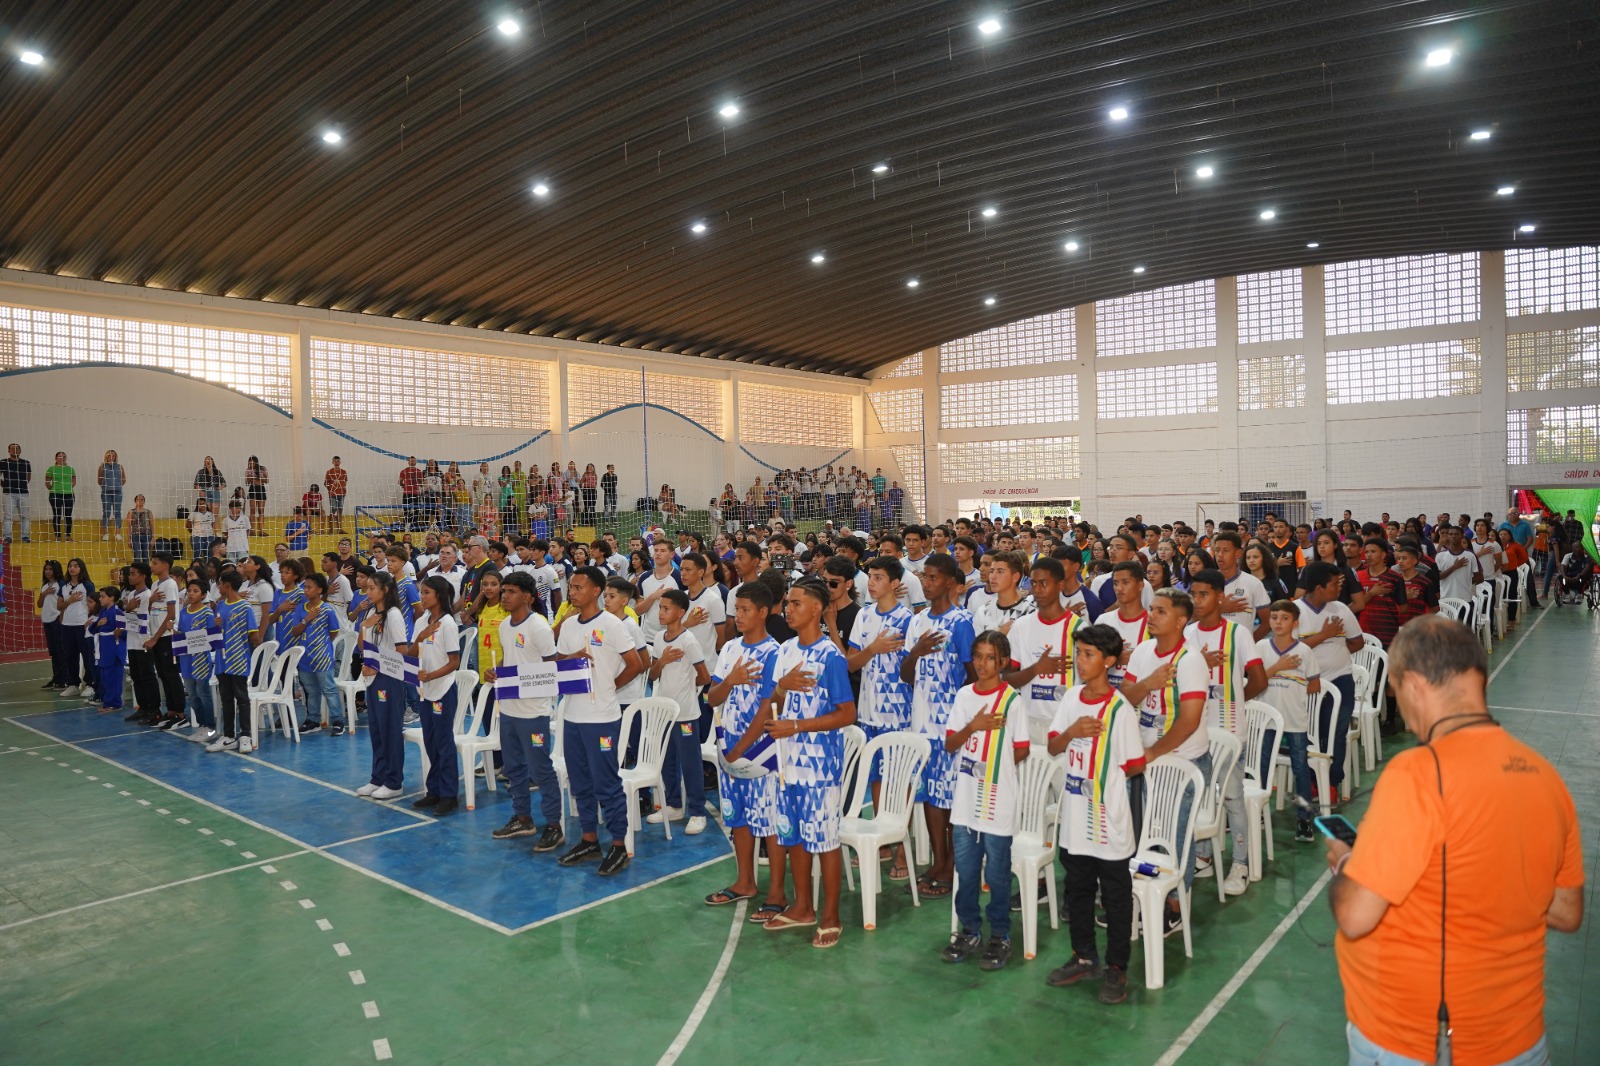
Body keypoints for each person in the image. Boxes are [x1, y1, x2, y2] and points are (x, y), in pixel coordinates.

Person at [1327, 616, 1584, 1066]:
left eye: (1395, 691)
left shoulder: (1418, 773)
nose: (1404, 715)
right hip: (1519, 1038)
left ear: (1413, 684)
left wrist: (1348, 861)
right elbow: (1566, 911)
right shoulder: (1544, 776)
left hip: (1416, 1042)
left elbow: (1354, 915)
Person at [1046, 623, 1143, 1005]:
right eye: (1078, 653)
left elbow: (1134, 765)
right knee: (1078, 890)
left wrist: (1100, 771)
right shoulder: (1072, 698)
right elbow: (1053, 746)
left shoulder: (1120, 710)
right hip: (1075, 819)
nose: (1080, 660)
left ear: (1109, 660)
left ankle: (1117, 966)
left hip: (1108, 820)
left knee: (1116, 897)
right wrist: (1073, 732)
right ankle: (1084, 956)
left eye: (1088, 654)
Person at [762, 576, 857, 949]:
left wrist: (797, 726)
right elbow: (774, 702)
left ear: (817, 609)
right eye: (788, 602)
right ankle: (802, 907)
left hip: (819, 764)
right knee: (794, 835)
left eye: (796, 603)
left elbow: (847, 713)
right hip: (786, 762)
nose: (788, 608)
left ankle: (831, 916)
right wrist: (781, 687)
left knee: (825, 840)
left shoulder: (830, 656)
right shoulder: (785, 650)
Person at [1118, 587, 1210, 937]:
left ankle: (1175, 906)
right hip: (1148, 759)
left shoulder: (1190, 661)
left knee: (1175, 835)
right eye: (1151, 609)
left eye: (1160, 611)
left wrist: (1155, 752)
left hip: (1181, 761)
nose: (1151, 615)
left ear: (1181, 620)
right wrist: (1148, 683)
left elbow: (1189, 721)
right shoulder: (1143, 651)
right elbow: (1125, 698)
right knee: (1146, 834)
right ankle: (1146, 896)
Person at [941, 630, 1030, 971]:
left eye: (990, 657)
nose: (982, 663)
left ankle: (1000, 935)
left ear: (1003, 662)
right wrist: (974, 726)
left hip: (998, 801)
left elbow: (1021, 749)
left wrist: (995, 767)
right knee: (965, 870)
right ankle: (969, 930)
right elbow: (951, 743)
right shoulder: (965, 696)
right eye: (977, 656)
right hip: (966, 802)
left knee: (997, 872)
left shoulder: (1012, 701)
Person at [553, 566, 644, 875]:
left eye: (578, 587)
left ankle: (619, 845)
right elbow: (558, 664)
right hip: (572, 715)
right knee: (580, 783)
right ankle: (589, 839)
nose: (572, 592)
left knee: (606, 783)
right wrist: (570, 659)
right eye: (571, 587)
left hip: (602, 718)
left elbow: (636, 664)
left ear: (596, 591)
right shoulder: (568, 625)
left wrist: (609, 686)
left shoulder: (613, 624)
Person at [1184, 569, 1267, 895]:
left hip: (1229, 730)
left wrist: (1234, 702)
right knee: (1200, 794)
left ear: (1220, 597)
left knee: (1232, 797)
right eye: (1193, 594)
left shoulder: (1238, 634)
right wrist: (1199, 665)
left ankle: (1240, 864)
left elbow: (1259, 680)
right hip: (1195, 729)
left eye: (1204, 594)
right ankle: (1203, 855)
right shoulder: (1188, 633)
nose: (1197, 600)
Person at [900, 554, 977, 899]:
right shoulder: (917, 622)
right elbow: (905, 676)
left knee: (951, 796)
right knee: (931, 795)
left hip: (951, 724)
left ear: (948, 581)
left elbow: (972, 676)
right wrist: (915, 652)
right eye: (924, 577)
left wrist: (963, 717)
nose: (927, 583)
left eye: (933, 578)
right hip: (922, 723)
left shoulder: (962, 622)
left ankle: (954, 864)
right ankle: (938, 860)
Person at [845, 554, 916, 880]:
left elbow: (911, 669)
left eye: (878, 578)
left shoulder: (907, 619)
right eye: (870, 577)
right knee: (876, 777)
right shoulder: (864, 616)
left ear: (895, 583)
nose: (871, 584)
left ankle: (902, 849)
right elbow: (851, 663)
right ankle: (883, 841)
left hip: (899, 713)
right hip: (869, 711)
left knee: (899, 781)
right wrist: (872, 648)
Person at [1255, 600, 1319, 841]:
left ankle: (1304, 819)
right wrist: (1279, 667)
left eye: (1284, 618)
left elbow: (1315, 685)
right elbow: (1255, 681)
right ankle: (1259, 812)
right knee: (1261, 766)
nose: (1278, 622)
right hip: (1266, 721)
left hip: (1295, 720)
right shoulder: (1261, 647)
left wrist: (1294, 691)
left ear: (1295, 623)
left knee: (1300, 768)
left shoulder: (1304, 651)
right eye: (1274, 617)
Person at [649, 589, 712, 834]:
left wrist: (686, 688)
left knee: (690, 764)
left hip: (685, 714)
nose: (660, 612)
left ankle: (697, 811)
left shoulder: (688, 640)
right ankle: (674, 805)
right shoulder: (658, 638)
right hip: (665, 713)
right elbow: (653, 675)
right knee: (668, 762)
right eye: (660, 607)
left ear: (680, 612)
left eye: (666, 608)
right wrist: (662, 661)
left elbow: (704, 676)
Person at [409, 576, 463, 815]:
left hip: (442, 689)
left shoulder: (448, 624)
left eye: (426, 592)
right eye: (421, 592)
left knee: (443, 741)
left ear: (439, 595)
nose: (422, 597)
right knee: (430, 741)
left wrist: (431, 676)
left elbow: (454, 662)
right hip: (424, 690)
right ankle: (434, 790)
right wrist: (421, 637)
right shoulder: (422, 620)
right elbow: (410, 654)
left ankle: (449, 794)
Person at [287, 572, 345, 736]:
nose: (305, 590)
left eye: (309, 587)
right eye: (305, 587)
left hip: (322, 657)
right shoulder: (301, 609)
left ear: (320, 590)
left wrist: (321, 645)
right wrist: (307, 619)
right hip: (305, 658)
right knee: (311, 691)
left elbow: (333, 632)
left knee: (329, 689)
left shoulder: (327, 610)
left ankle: (338, 720)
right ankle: (313, 720)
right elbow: (295, 632)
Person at [206, 571, 257, 754]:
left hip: (239, 659)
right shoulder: (220, 605)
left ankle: (245, 736)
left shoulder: (246, 608)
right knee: (226, 699)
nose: (218, 587)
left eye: (220, 584)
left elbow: (254, 636)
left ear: (227, 585)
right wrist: (216, 624)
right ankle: (228, 737)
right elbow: (215, 632)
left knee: (242, 698)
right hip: (222, 659)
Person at [174, 578, 218, 744]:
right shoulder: (184, 612)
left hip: (200, 658)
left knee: (202, 692)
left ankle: (210, 726)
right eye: (189, 591)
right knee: (192, 695)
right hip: (186, 658)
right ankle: (201, 725)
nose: (191, 594)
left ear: (204, 595)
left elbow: (212, 637)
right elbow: (182, 633)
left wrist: (197, 639)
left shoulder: (207, 613)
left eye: (195, 591)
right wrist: (176, 634)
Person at [89, 585, 126, 714]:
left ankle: (115, 704)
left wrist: (119, 631)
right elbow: (92, 630)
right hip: (103, 648)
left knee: (113, 678)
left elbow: (125, 632)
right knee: (105, 677)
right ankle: (108, 702)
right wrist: (97, 624)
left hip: (113, 649)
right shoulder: (104, 611)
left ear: (112, 598)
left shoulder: (118, 612)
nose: (100, 599)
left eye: (103, 596)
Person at [1, 442, 31, 543]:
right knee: (8, 516)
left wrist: (21, 484)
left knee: (25, 516)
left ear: (20, 450)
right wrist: (5, 485)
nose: (15, 450)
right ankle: (7, 537)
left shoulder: (26, 463)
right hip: (8, 493)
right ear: (8, 451)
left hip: (23, 493)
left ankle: (25, 536)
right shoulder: (3, 462)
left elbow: (28, 477)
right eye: (12, 448)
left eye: (17, 448)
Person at [45, 451, 75, 540]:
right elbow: (47, 483)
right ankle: (57, 536)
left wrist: (67, 488)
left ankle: (68, 535)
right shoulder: (51, 469)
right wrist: (55, 489)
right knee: (57, 515)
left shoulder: (70, 469)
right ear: (56, 458)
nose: (63, 458)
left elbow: (73, 482)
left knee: (68, 515)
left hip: (69, 494)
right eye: (60, 456)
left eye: (64, 457)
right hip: (55, 494)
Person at [97, 449, 125, 541]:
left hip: (117, 492)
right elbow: (99, 481)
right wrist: (107, 486)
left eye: (113, 456)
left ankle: (118, 533)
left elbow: (123, 479)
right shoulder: (102, 467)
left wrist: (116, 486)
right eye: (109, 456)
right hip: (106, 492)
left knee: (117, 512)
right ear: (106, 457)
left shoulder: (120, 467)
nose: (111, 457)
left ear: (115, 457)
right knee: (106, 512)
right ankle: (106, 533)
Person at [244, 455, 269, 535]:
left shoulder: (263, 469)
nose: (251, 464)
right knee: (252, 510)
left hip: (261, 488)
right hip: (252, 488)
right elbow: (247, 481)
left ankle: (261, 530)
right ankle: (252, 530)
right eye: (250, 463)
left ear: (256, 462)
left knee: (261, 511)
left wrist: (258, 479)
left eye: (252, 462)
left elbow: (267, 480)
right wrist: (253, 479)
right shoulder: (248, 470)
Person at [324, 456, 348, 534]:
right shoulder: (329, 472)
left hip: (342, 494)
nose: (337, 462)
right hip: (333, 494)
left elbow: (345, 481)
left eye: (338, 461)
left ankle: (340, 529)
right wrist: (331, 490)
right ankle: (331, 529)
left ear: (340, 462)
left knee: (340, 511)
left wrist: (342, 488)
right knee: (333, 510)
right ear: (332, 462)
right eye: (335, 461)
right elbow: (325, 483)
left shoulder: (344, 472)